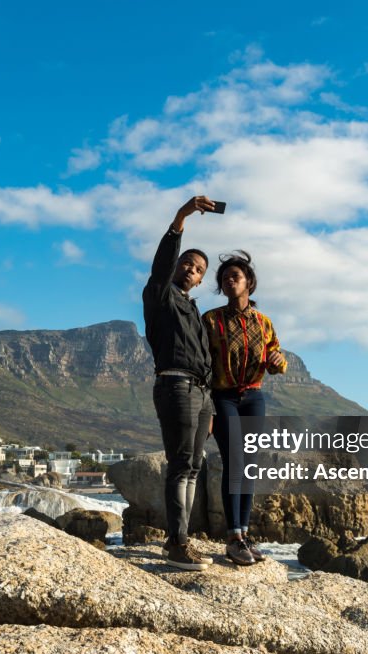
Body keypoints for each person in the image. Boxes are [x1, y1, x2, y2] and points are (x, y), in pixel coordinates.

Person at [143, 195, 218, 571]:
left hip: (200, 394)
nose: (191, 268)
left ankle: (182, 536)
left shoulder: (193, 309)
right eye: (187, 262)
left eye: (198, 267)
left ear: (203, 278)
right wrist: (180, 219)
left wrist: (213, 406)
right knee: (181, 463)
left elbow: (206, 360)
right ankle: (176, 544)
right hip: (175, 387)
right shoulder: (160, 295)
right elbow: (160, 267)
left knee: (193, 466)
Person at [202, 251, 287, 565]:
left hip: (253, 397)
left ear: (248, 283)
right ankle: (233, 537)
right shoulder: (211, 320)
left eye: (234, 277)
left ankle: (244, 534)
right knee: (234, 461)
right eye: (224, 278)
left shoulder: (264, 323)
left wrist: (279, 362)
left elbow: (276, 357)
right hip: (223, 397)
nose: (228, 281)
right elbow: (201, 363)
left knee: (248, 466)